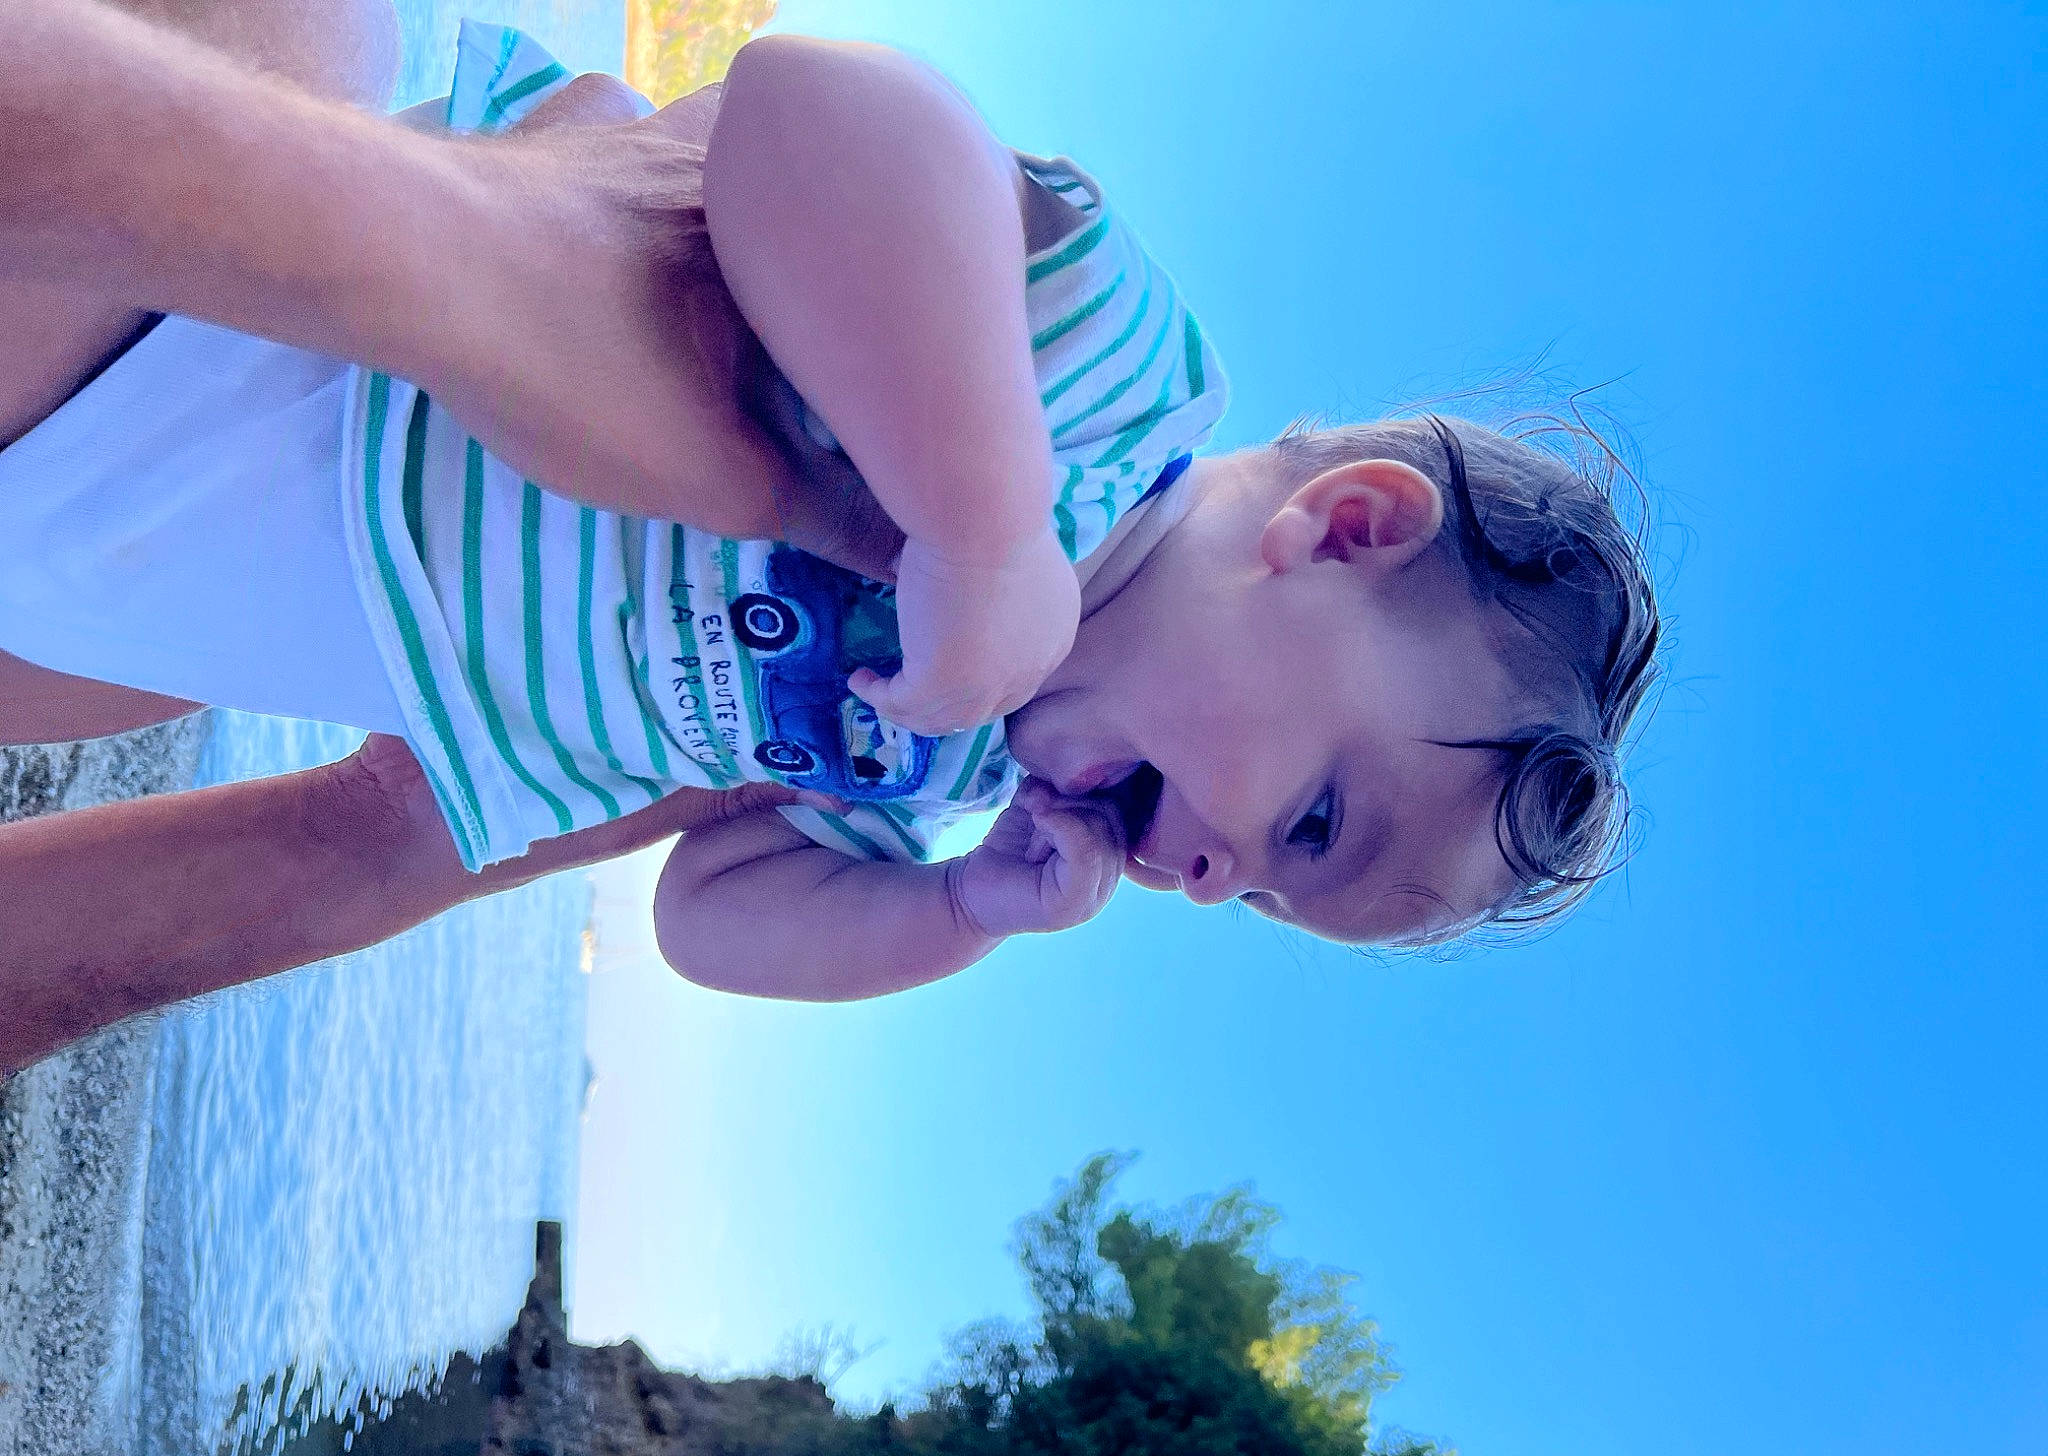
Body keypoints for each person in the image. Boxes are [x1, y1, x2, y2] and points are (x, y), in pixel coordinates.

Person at [2, 3, 1662, 1017]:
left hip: (190, 601)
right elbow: (816, 107)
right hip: (277, 333)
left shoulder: (935, 780)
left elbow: (704, 917)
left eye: (1272, 902)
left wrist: (946, 911)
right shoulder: (1101, 386)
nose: (1221, 883)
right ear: (1343, 531)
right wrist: (983, 524)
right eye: (1310, 824)